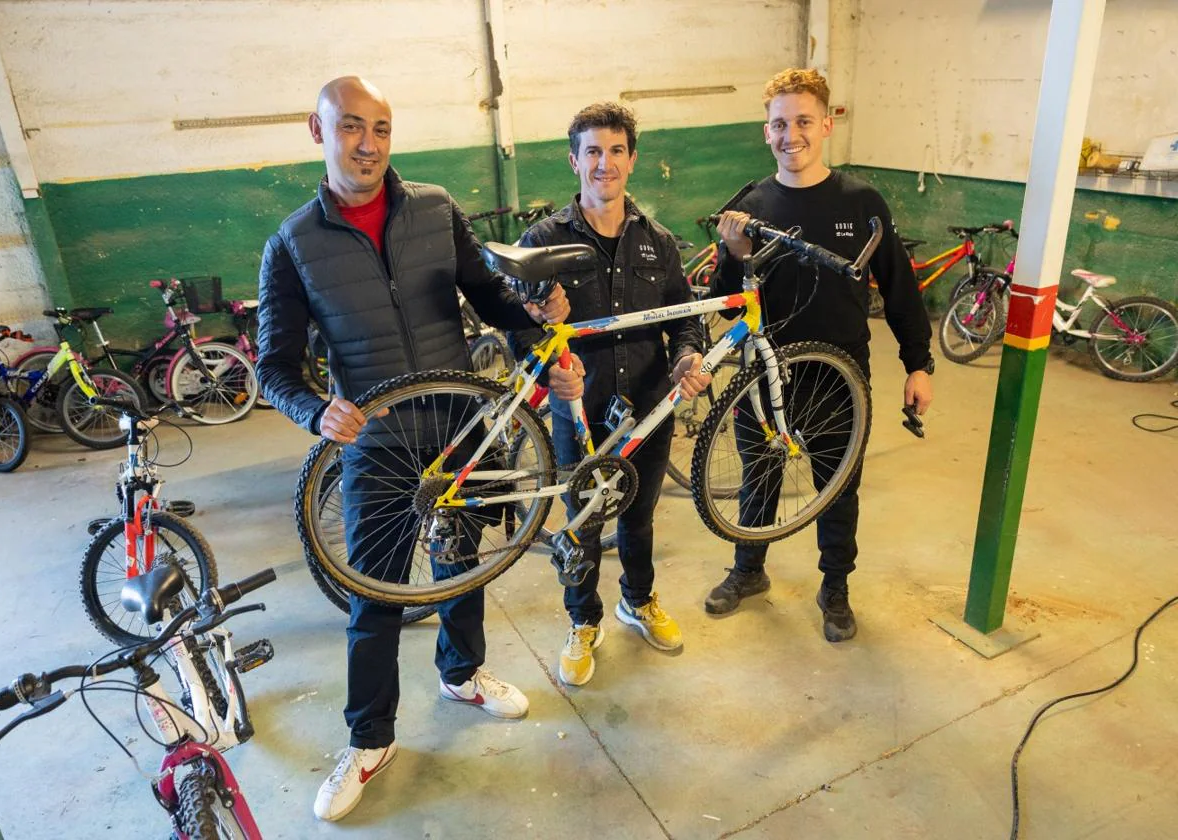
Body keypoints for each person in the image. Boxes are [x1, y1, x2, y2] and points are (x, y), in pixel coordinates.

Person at [256, 76, 580, 822]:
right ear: (318, 130)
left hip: (461, 427)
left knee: (461, 564)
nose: (367, 144)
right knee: (377, 595)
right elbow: (274, 367)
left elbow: (489, 297)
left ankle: (463, 673)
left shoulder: (435, 209)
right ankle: (370, 739)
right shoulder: (293, 245)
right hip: (379, 444)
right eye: (350, 128)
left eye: (381, 129)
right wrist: (315, 410)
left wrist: (536, 318)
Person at [705, 68, 934, 642]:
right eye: (779, 124)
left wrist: (919, 364)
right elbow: (727, 307)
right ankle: (748, 570)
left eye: (804, 121)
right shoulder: (749, 205)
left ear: (826, 124)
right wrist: (735, 254)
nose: (792, 134)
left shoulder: (861, 202)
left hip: (841, 376)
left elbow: (900, 288)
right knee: (760, 476)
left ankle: (835, 587)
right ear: (766, 132)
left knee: (839, 484)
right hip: (764, 373)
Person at [511, 102, 711, 687]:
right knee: (583, 522)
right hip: (582, 410)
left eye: (616, 151)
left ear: (632, 159)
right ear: (574, 160)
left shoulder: (659, 242)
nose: (605, 164)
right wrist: (546, 369)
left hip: (649, 408)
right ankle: (583, 620)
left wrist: (687, 357)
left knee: (639, 516)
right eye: (593, 152)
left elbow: (687, 320)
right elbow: (517, 324)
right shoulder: (542, 240)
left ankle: (638, 599)